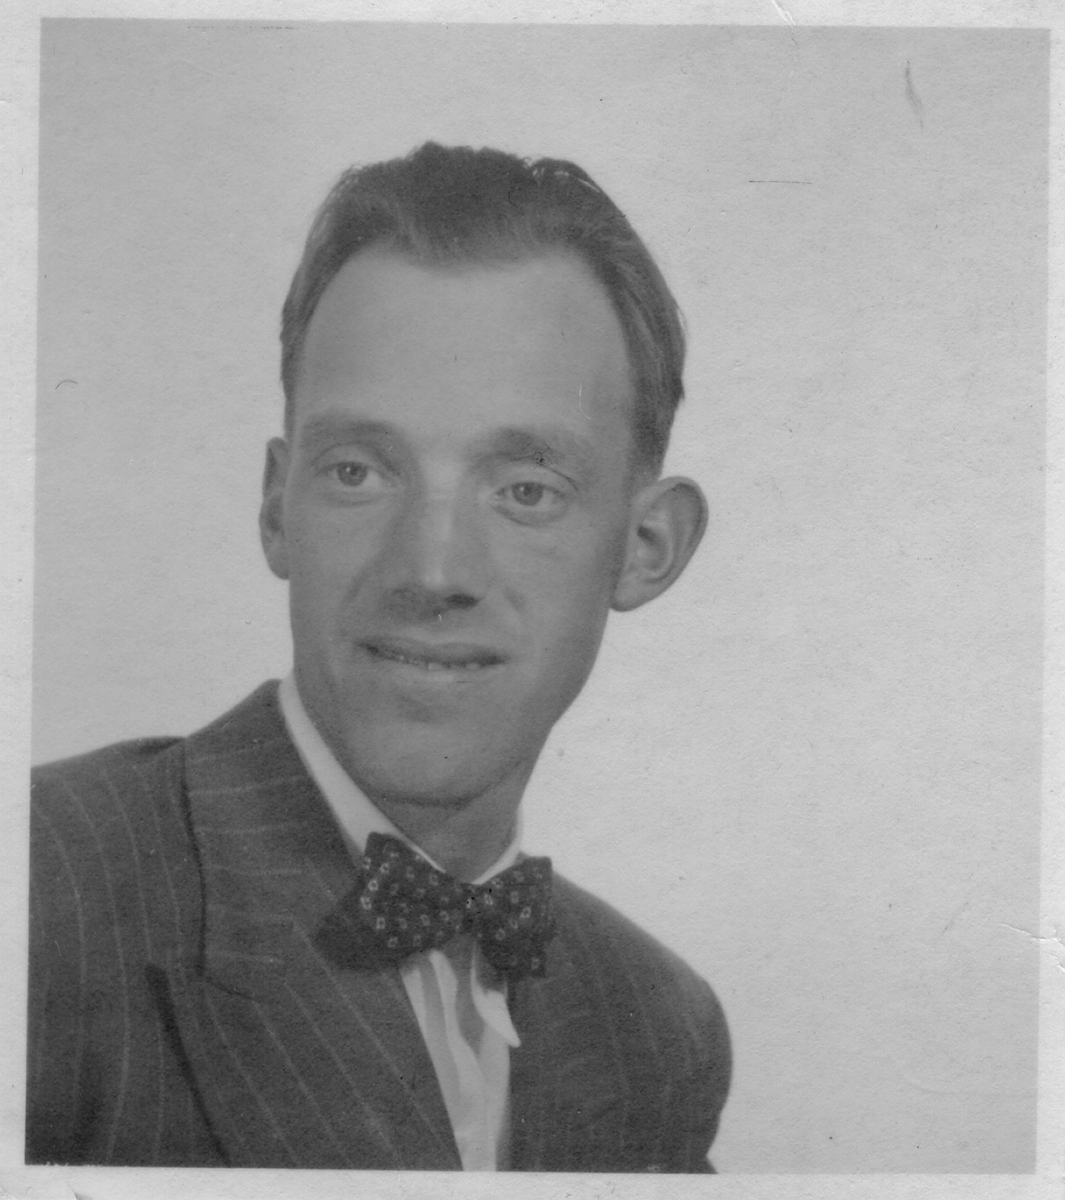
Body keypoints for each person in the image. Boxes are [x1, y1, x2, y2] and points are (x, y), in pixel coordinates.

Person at [27, 142, 731, 1172]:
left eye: (525, 490)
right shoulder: (39, 894)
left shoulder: (658, 1025)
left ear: (648, 545)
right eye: (358, 471)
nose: (431, 569)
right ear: (277, 508)